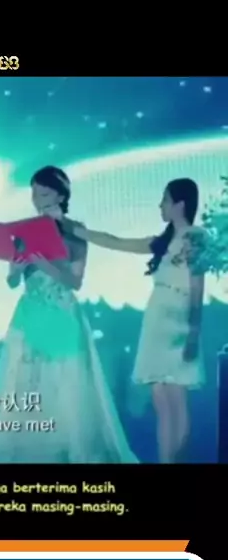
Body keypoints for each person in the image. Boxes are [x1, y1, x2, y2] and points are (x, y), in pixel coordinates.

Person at [0, 165, 138, 463]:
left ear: (61, 196)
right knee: (26, 382)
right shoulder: (23, 231)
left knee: (67, 386)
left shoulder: (75, 232)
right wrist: (18, 268)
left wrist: (46, 264)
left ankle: (68, 452)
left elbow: (75, 281)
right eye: (34, 194)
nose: (38, 200)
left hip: (62, 313)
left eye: (45, 194)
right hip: (29, 314)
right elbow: (11, 282)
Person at [72, 178, 206, 463]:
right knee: (160, 399)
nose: (161, 205)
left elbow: (197, 284)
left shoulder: (195, 237)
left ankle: (180, 460)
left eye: (165, 200)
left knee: (177, 397)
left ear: (180, 204)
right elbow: (117, 242)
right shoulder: (162, 242)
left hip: (179, 318)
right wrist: (79, 231)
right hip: (156, 317)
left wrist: (193, 331)